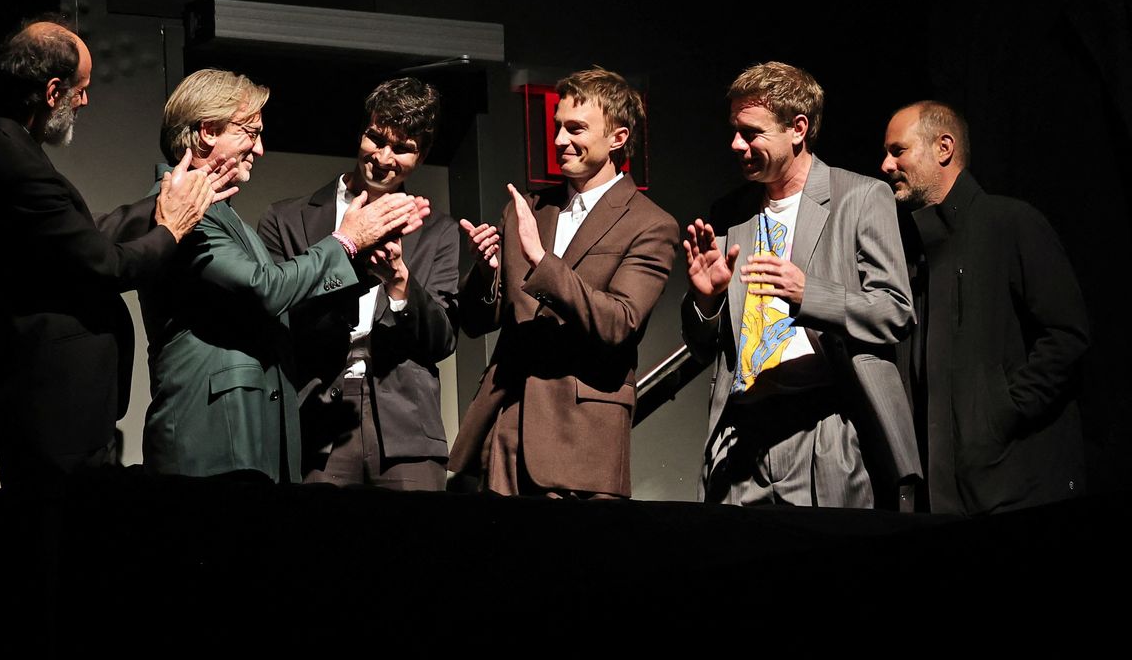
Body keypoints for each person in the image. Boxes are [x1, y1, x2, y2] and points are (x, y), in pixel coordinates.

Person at [0, 19, 223, 489]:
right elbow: (107, 266)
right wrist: (172, 228)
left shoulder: (0, 142)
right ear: (51, 91)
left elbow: (80, 236)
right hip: (53, 399)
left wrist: (165, 201)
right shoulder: (9, 156)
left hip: (51, 395)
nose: (85, 101)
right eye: (80, 90)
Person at [135, 69, 429, 482]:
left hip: (242, 431)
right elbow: (265, 290)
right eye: (251, 133)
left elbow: (279, 305)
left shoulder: (220, 214)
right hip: (210, 434)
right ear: (208, 132)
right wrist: (346, 241)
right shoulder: (178, 210)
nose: (260, 149)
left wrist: (365, 261)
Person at [682, 61, 920, 508]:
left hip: (825, 427)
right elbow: (702, 348)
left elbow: (896, 311)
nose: (736, 144)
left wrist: (809, 295)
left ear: (798, 128)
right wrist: (706, 300)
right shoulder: (730, 213)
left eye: (751, 133)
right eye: (734, 131)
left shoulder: (861, 197)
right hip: (743, 436)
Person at [449, 68, 678, 498]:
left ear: (618, 137)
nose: (558, 140)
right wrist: (486, 270)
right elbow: (478, 322)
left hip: (580, 443)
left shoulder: (650, 224)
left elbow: (620, 322)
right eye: (557, 127)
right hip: (503, 430)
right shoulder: (529, 210)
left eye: (575, 129)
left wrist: (542, 261)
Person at [882, 101, 1089, 514]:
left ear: (944, 148)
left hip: (1014, 490)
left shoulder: (1010, 222)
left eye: (898, 150)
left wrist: (1000, 415)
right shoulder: (913, 248)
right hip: (941, 497)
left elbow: (1067, 336)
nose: (886, 165)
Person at [258, 78, 458, 490]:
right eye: (376, 139)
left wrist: (399, 280)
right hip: (318, 417)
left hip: (407, 425)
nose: (383, 158)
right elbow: (279, 321)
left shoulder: (438, 231)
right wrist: (353, 265)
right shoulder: (286, 220)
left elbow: (442, 340)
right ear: (361, 131)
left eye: (402, 148)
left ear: (422, 156)